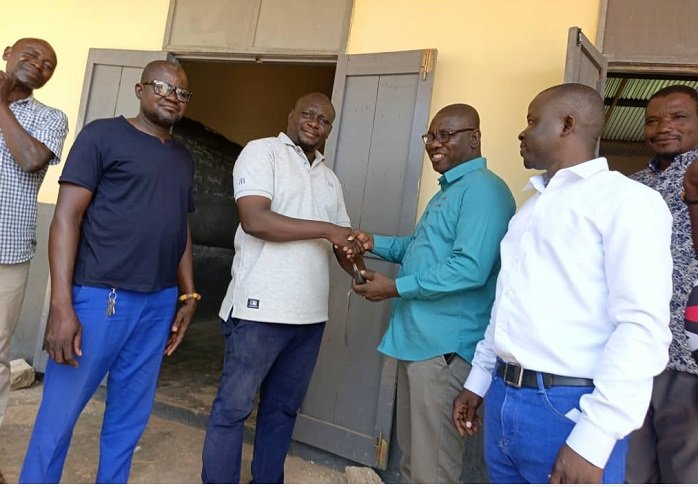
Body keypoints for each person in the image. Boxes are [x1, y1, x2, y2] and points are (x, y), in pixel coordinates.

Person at [452, 83, 673, 484]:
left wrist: (594, 437)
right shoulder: (530, 208)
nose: (522, 133)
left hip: (568, 408)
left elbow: (641, 328)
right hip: (505, 396)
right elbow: (506, 307)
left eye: (533, 122)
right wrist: (479, 382)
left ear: (567, 125)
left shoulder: (628, 202)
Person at [19, 60, 197, 483]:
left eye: (182, 92)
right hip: (102, 298)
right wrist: (62, 305)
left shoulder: (182, 156)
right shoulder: (102, 135)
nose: (173, 95)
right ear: (139, 89)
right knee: (59, 415)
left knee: (129, 419)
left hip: (157, 303)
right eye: (162, 86)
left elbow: (180, 226)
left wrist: (187, 294)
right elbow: (66, 217)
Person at [201, 92, 361, 484]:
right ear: (291, 115)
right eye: (307, 114)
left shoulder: (328, 178)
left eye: (324, 120)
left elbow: (340, 241)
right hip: (258, 313)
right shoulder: (262, 153)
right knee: (233, 409)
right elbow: (256, 220)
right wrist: (328, 229)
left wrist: (358, 268)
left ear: (329, 129)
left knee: (283, 409)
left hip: (309, 318)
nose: (314, 122)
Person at [350, 104, 515, 483]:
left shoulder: (484, 191)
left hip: (444, 350)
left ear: (474, 138)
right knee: (416, 460)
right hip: (421, 342)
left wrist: (394, 287)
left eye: (446, 135)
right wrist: (374, 242)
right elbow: (420, 248)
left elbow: (469, 268)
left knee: (433, 469)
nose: (435, 144)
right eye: (431, 136)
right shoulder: (453, 189)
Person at [0, 37, 67, 481]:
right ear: (7, 52)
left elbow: (29, 160)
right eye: (30, 54)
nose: (38, 64)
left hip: (6, 254)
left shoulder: (50, 118)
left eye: (48, 64)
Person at [626, 85, 698, 483]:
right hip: (635, 349)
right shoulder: (630, 185)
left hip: (688, 356)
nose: (663, 128)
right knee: (631, 469)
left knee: (684, 469)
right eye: (653, 120)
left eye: (678, 117)